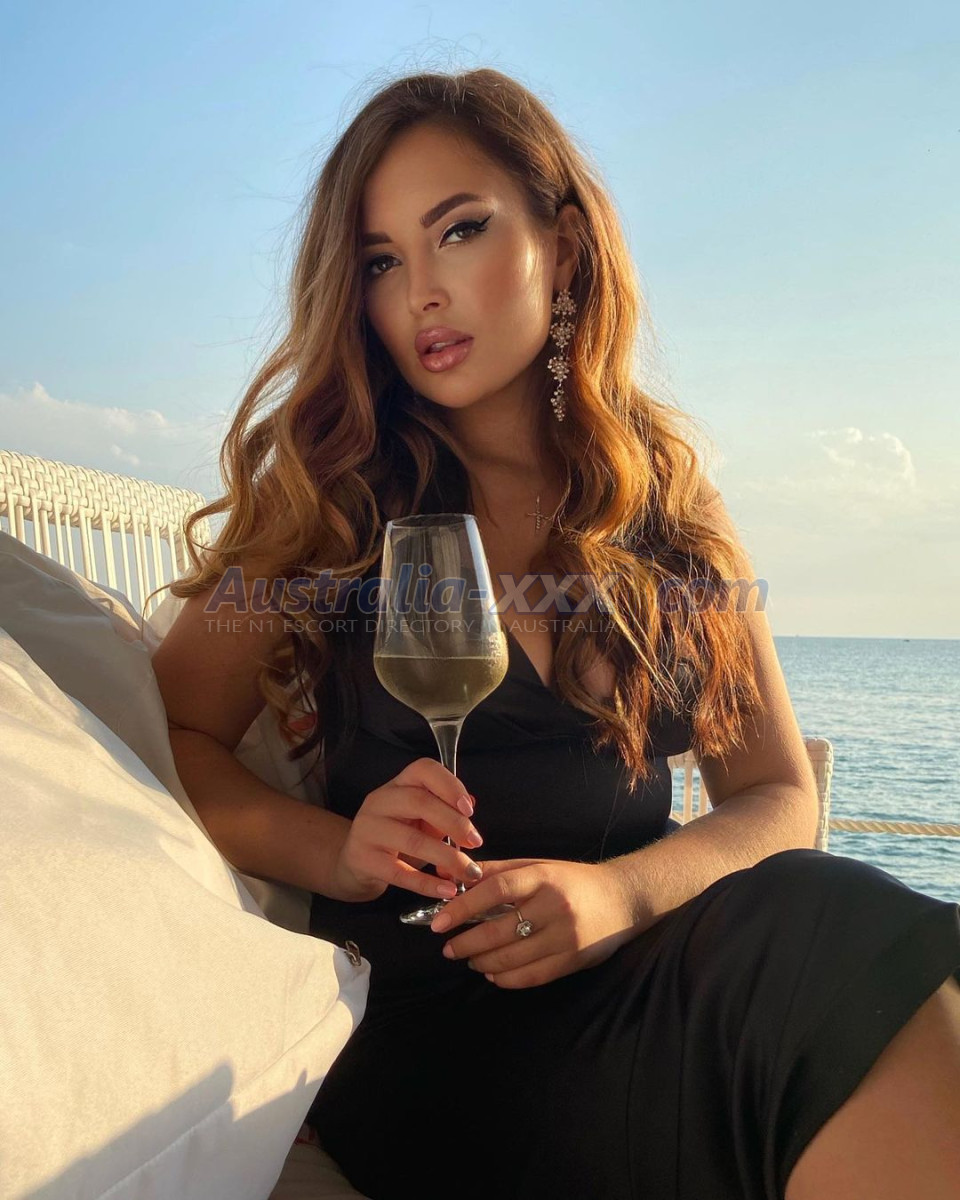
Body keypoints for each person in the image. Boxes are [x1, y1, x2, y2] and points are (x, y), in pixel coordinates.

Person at [151, 68, 960, 1200]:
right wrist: (332, 849)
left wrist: (620, 898)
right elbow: (174, 733)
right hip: (435, 1035)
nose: (421, 294)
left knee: (851, 936)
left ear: (564, 248)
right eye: (381, 262)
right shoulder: (334, 497)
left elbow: (777, 796)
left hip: (646, 971)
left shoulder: (668, 505)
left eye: (460, 231)